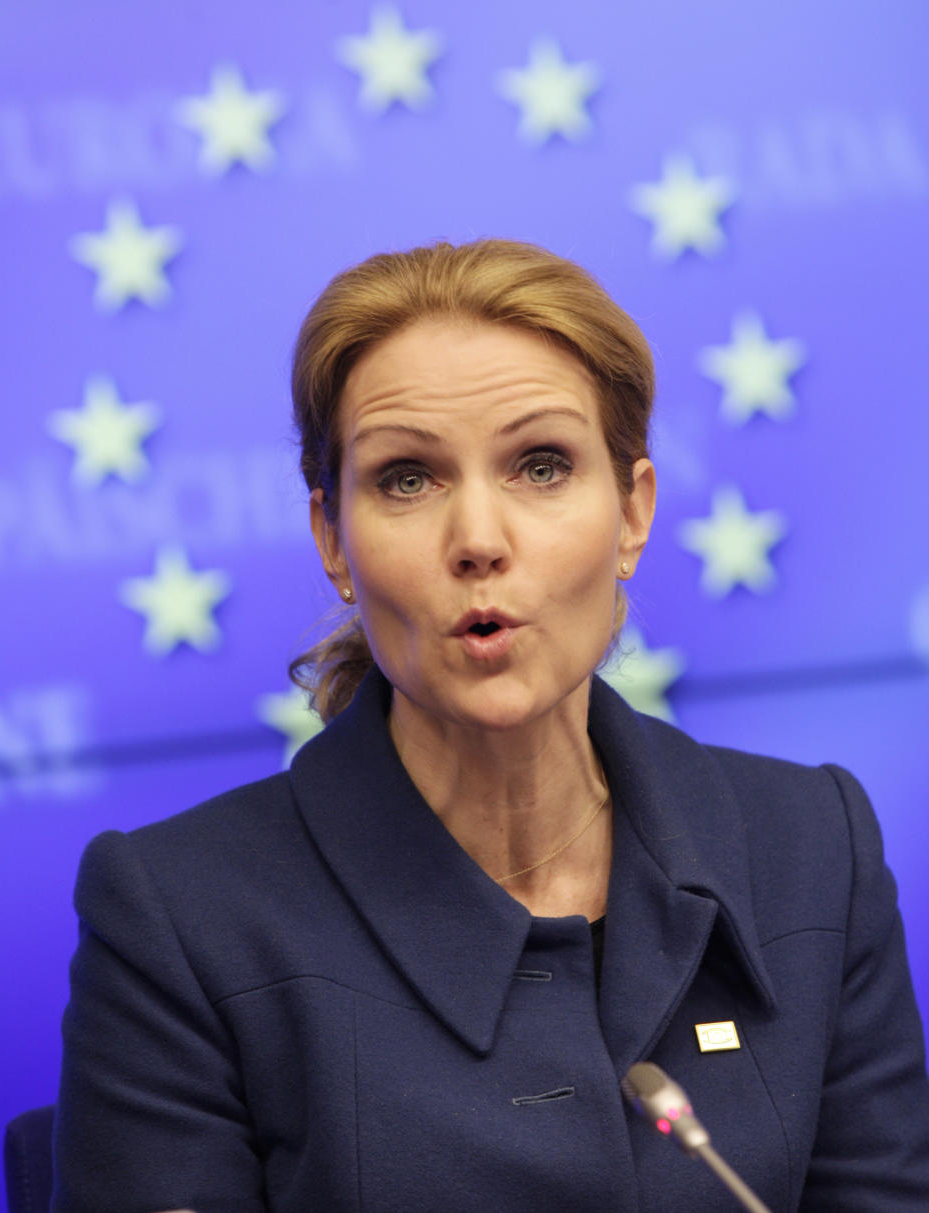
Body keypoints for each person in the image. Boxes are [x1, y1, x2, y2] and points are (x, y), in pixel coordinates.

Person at [51, 239, 929, 1212]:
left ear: (633, 514)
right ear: (333, 540)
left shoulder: (814, 844)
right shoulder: (177, 920)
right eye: (406, 479)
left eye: (541, 466)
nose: (478, 540)